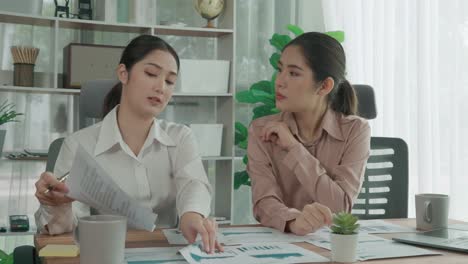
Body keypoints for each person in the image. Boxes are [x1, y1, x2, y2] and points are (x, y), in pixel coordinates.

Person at [34, 35, 221, 253]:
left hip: (167, 252)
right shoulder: (77, 144)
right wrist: (58, 205)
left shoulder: (180, 137)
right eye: (151, 74)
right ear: (123, 73)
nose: (161, 87)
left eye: (170, 81)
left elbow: (194, 184)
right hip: (105, 252)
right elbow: (69, 229)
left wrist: (192, 214)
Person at [247, 32, 371, 236]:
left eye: (294, 73)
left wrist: (294, 149)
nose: (279, 81)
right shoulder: (262, 130)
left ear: (324, 86)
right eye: (280, 70)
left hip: (333, 246)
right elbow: (264, 202)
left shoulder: (355, 131)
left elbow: (340, 208)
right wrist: (294, 221)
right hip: (283, 244)